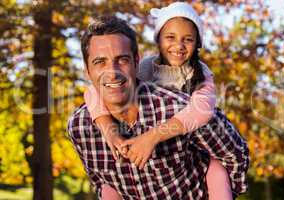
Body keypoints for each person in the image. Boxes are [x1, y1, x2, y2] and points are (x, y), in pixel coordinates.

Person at [68, 15, 249, 199]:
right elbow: (99, 180)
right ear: (87, 70)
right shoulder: (80, 127)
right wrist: (108, 130)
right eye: (100, 62)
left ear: (136, 62)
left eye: (122, 60)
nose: (112, 73)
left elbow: (234, 156)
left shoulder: (181, 104)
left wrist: (154, 136)